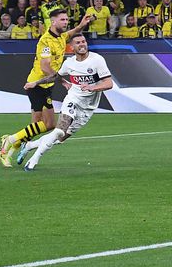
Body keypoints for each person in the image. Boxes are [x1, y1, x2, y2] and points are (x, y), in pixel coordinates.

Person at [0, 8, 93, 167]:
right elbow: (45, 66)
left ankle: (10, 146)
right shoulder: (45, 41)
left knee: (35, 126)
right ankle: (10, 141)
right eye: (62, 20)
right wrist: (63, 81)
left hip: (46, 85)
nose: (66, 22)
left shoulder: (61, 36)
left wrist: (82, 24)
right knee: (49, 124)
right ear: (53, 21)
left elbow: (73, 32)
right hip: (37, 84)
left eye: (66, 19)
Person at [17, 33, 113, 171]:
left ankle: (29, 146)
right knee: (58, 131)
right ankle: (33, 160)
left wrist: (93, 87)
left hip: (87, 108)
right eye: (78, 42)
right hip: (72, 100)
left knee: (59, 139)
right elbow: (55, 77)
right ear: (71, 47)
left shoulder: (97, 60)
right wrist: (36, 83)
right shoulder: (69, 63)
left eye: (84, 41)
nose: (82, 44)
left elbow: (109, 83)